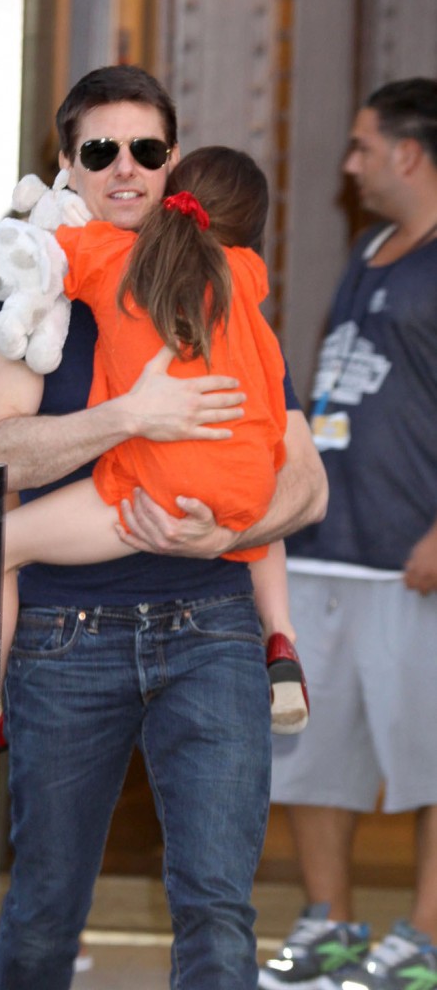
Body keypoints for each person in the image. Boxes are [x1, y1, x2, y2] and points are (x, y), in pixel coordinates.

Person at [0, 65, 328, 989]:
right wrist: (130, 416)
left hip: (212, 624)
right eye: (101, 150)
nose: (124, 168)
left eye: (146, 149)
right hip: (66, 640)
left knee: (218, 907)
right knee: (47, 903)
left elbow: (307, 484)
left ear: (172, 162)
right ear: (68, 161)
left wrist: (227, 532)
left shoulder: (217, 286)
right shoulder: (29, 288)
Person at [0, 146, 310, 746]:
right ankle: (282, 635)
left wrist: (41, 216)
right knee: (246, 479)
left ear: (171, 198)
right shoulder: (248, 282)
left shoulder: (126, 261)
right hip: (247, 493)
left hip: (155, 491)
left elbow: (48, 254)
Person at [258, 77, 437, 990]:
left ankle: (426, 941)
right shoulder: (370, 248)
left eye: (364, 146)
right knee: (311, 751)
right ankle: (330, 924)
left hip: (413, 560)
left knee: (430, 756)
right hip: (329, 547)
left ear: (410, 153)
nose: (350, 163)